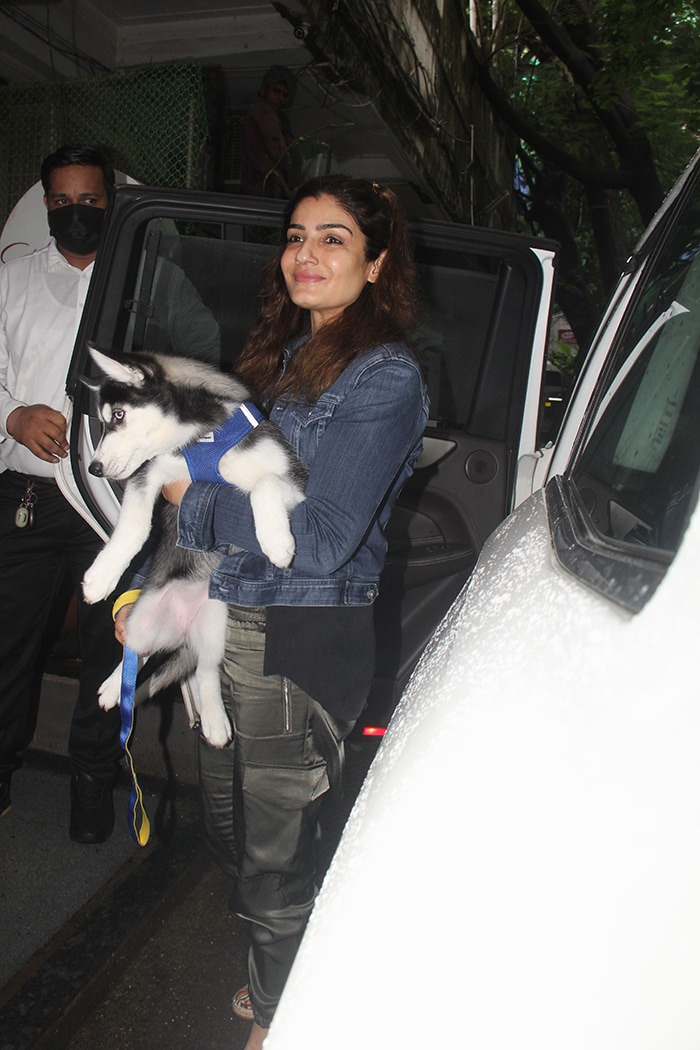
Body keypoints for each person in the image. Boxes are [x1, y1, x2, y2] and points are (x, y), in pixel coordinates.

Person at [115, 173, 428, 1046]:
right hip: (223, 623)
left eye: (333, 238)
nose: (306, 253)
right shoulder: (277, 358)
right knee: (227, 828)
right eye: (295, 235)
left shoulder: (383, 376)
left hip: (295, 636)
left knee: (272, 858)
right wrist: (153, 585)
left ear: (375, 264)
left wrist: (187, 499)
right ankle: (273, 960)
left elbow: (322, 538)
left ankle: (285, 1015)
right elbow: (206, 480)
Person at [0, 144, 124, 841]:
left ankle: (92, 784)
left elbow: (188, 359)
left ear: (110, 200)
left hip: (110, 505)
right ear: (45, 205)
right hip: (29, 496)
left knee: (109, 650)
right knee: (8, 644)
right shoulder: (11, 280)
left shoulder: (144, 278)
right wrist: (13, 414)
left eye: (89, 201)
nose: (75, 214)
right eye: (62, 203)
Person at [240, 65, 295, 199]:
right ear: (264, 90)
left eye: (284, 95)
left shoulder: (262, 113)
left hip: (256, 184)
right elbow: (277, 148)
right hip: (265, 184)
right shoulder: (264, 111)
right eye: (276, 91)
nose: (281, 98)